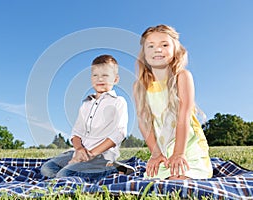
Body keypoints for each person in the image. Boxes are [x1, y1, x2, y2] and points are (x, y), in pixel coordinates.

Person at [133, 25, 213, 180]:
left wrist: (179, 153)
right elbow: (143, 122)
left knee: (179, 182)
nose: (158, 49)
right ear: (144, 54)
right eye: (151, 46)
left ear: (175, 50)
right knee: (154, 183)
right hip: (163, 150)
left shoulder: (182, 77)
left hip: (188, 146)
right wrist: (156, 154)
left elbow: (183, 116)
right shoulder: (139, 86)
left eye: (164, 45)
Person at [41, 54, 134, 181]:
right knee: (47, 169)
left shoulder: (118, 102)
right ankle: (72, 171)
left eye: (105, 75)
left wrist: (91, 154)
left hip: (101, 156)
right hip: (79, 153)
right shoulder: (86, 104)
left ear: (116, 79)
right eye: (95, 75)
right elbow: (76, 133)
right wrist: (79, 150)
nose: (99, 79)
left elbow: (119, 133)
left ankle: (115, 169)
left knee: (65, 175)